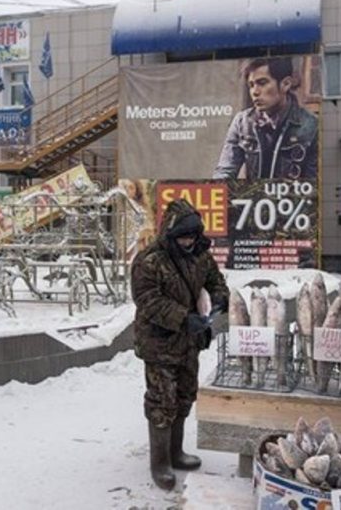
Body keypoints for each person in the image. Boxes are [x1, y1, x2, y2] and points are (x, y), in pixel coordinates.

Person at [130, 198, 229, 490]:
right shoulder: (149, 260)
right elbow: (148, 300)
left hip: (189, 342)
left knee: (185, 395)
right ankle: (160, 462)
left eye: (192, 236)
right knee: (162, 401)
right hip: (159, 343)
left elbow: (216, 281)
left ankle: (176, 452)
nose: (188, 242)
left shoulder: (200, 254)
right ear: (171, 234)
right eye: (183, 237)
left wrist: (219, 299)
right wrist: (184, 318)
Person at [213, 56, 318, 180]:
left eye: (262, 83)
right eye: (251, 85)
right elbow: (225, 171)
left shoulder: (311, 126)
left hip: (290, 193)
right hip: (253, 193)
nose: (254, 92)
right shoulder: (243, 122)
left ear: (286, 84)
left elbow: (313, 184)